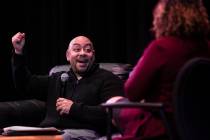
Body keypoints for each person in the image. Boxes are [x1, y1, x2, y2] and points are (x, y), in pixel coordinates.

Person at [107, 0, 210, 139]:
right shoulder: (206, 48)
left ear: (166, 18)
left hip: (162, 125)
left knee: (113, 103)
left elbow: (132, 92)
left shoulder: (161, 47)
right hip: (198, 126)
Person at [11, 32, 124, 140]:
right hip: (50, 131)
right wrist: (18, 52)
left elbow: (112, 114)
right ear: (68, 55)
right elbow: (25, 84)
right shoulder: (58, 78)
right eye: (76, 49)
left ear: (93, 56)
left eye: (88, 50)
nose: (82, 53)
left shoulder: (108, 79)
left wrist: (74, 108)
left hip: (84, 132)